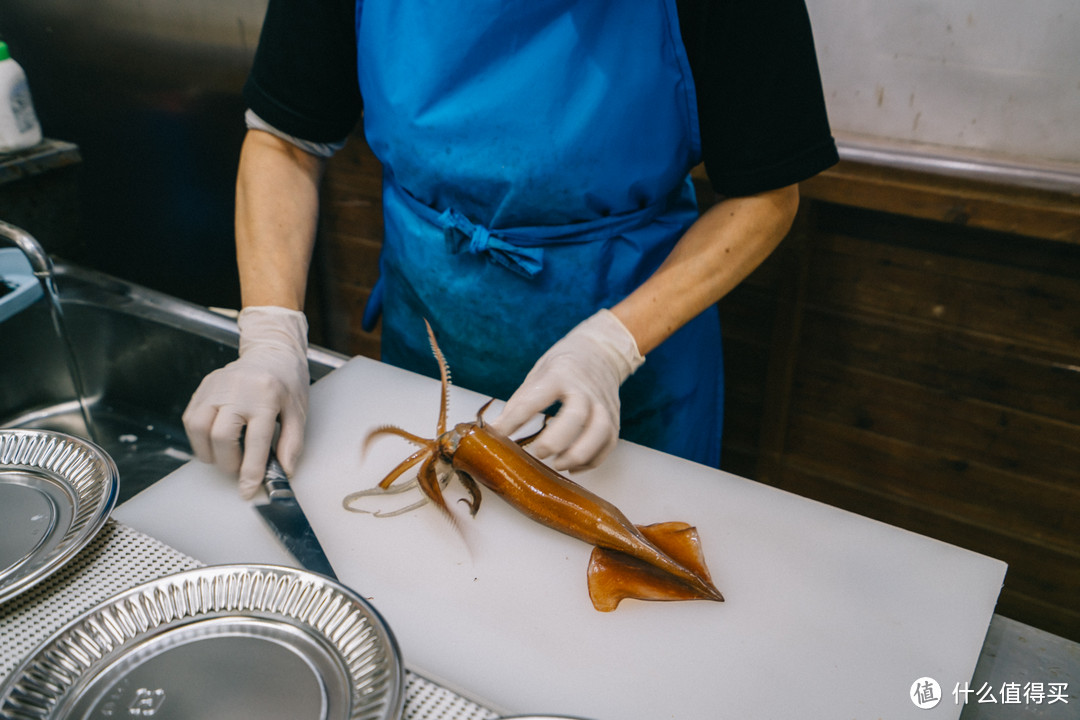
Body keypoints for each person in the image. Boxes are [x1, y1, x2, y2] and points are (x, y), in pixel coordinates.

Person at [183, 0, 839, 498]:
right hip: (430, 343)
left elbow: (766, 198)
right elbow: (284, 140)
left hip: (632, 364)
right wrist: (270, 334)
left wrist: (609, 348)